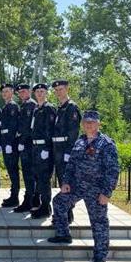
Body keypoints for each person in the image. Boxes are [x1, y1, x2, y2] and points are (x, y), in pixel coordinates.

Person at [48, 110, 119, 262]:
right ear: (82, 124)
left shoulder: (106, 144)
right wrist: (66, 182)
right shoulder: (80, 141)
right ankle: (63, 234)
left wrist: (106, 193)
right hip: (77, 185)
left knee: (98, 221)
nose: (89, 124)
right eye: (86, 122)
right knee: (59, 202)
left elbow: (113, 170)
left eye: (92, 122)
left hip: (96, 189)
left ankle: (100, 254)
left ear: (98, 124)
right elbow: (71, 165)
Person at [51, 80, 81, 224]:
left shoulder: (71, 107)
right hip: (57, 148)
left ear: (67, 89)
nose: (58, 92)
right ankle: (62, 213)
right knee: (62, 181)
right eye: (56, 90)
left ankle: (67, 214)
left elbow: (73, 132)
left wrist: (69, 152)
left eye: (61, 89)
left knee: (67, 182)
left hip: (65, 149)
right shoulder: (59, 108)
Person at [30, 83, 56, 219]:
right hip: (35, 147)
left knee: (44, 178)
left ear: (46, 93)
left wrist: (46, 148)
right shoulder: (36, 108)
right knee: (38, 177)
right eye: (37, 91)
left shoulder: (49, 108)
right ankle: (41, 203)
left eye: (42, 91)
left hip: (43, 148)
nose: (40, 93)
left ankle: (46, 207)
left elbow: (50, 129)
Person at [14, 83, 37, 212]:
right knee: (27, 173)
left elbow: (29, 127)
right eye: (20, 92)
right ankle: (31, 199)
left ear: (29, 92)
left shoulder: (31, 105)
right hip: (24, 144)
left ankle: (29, 201)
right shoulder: (24, 105)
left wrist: (22, 141)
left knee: (29, 174)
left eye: (23, 91)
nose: (21, 94)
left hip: (28, 144)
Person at [0, 83, 20, 208]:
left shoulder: (12, 106)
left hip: (10, 144)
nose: (5, 94)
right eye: (3, 92)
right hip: (6, 143)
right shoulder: (6, 107)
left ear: (12, 92)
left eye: (7, 91)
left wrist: (9, 144)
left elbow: (13, 127)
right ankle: (13, 196)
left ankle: (15, 197)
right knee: (11, 170)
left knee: (13, 170)